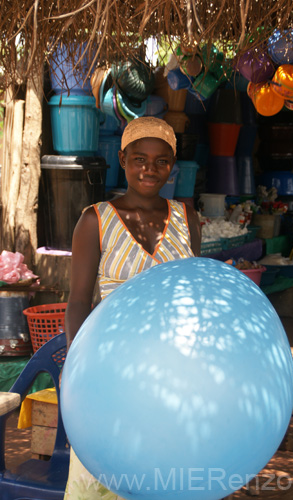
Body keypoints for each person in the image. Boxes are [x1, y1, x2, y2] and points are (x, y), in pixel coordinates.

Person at [63, 116, 201, 499]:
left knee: (163, 468)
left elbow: (193, 295)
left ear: (172, 165)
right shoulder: (96, 221)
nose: (149, 169)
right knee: (103, 475)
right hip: (111, 368)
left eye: (161, 161)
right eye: (139, 158)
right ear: (122, 159)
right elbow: (78, 302)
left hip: (173, 368)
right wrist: (79, 370)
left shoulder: (186, 218)